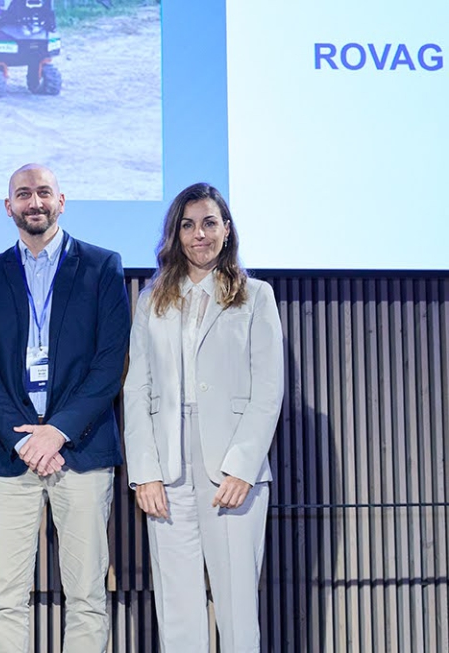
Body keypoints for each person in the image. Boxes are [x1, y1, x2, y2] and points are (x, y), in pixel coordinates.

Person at [0, 163, 131, 653]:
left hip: (80, 452)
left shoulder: (103, 266)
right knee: (5, 597)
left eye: (43, 193)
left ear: (62, 201)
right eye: (23, 194)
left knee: (85, 596)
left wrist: (56, 432)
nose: (33, 202)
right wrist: (24, 439)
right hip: (9, 453)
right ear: (8, 206)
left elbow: (109, 364)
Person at [123, 182, 284, 652]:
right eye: (188, 225)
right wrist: (145, 474)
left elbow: (267, 389)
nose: (199, 235)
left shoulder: (256, 296)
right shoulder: (151, 300)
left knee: (236, 610)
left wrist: (243, 466)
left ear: (226, 229)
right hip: (168, 469)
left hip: (231, 469)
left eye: (209, 223)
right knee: (177, 610)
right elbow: (137, 390)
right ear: (175, 234)